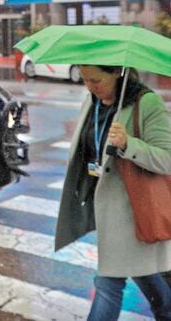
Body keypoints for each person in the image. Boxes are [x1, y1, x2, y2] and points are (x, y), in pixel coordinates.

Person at [55, 65, 171, 320]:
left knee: (109, 284)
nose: (90, 86)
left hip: (136, 209)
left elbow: (167, 159)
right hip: (107, 211)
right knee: (141, 270)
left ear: (117, 73)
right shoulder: (93, 101)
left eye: (96, 80)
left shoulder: (146, 103)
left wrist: (129, 144)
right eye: (85, 80)